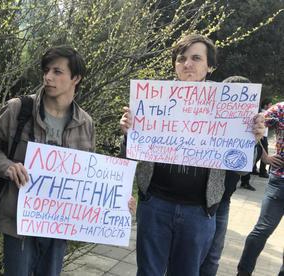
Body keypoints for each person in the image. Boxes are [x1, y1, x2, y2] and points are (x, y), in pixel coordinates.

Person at [0, 46, 135, 276]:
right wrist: (7, 167)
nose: (48, 77)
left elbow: (89, 177)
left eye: (57, 71)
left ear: (76, 78)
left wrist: (119, 201)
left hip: (59, 226)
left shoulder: (85, 123)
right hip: (18, 222)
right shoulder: (19, 109)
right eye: (46, 70)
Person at [119, 34, 265, 276]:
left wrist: (251, 140)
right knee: (148, 272)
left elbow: (240, 168)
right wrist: (128, 133)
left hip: (199, 211)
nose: (187, 64)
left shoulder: (230, 106)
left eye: (196, 58)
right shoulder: (152, 99)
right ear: (175, 65)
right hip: (155, 204)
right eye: (181, 58)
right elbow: (129, 157)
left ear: (210, 66)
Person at [199, 76, 251, 276]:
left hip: (223, 203)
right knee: (189, 257)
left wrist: (251, 140)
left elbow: (244, 171)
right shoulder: (205, 121)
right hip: (198, 201)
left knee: (212, 257)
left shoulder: (247, 130)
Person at [237, 101, 284, 276]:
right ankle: (243, 272)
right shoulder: (281, 109)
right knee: (262, 230)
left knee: (261, 230)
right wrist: (264, 156)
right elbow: (251, 124)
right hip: (280, 181)